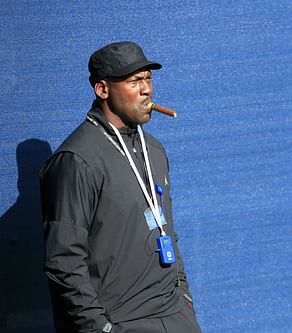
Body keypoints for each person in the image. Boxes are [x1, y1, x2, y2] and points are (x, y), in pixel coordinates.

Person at [40, 41, 201, 333]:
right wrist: (99, 328)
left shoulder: (153, 150)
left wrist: (184, 301)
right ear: (103, 90)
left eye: (148, 79)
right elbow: (64, 262)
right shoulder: (77, 161)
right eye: (134, 81)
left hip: (174, 317)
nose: (147, 90)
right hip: (121, 322)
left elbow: (168, 233)